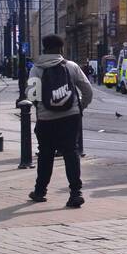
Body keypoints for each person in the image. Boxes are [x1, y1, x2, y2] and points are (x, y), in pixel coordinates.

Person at [27, 35, 94, 207]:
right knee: (71, 154)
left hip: (46, 119)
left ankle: (40, 191)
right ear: (61, 49)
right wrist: (79, 108)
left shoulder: (36, 69)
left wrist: (43, 109)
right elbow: (88, 91)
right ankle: (75, 193)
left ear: (44, 49)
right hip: (70, 118)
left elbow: (32, 95)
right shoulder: (71, 67)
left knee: (45, 155)